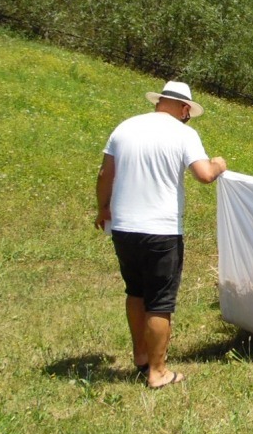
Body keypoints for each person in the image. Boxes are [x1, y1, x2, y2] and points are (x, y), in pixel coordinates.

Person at [94, 81, 227, 389]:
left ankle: (140, 355)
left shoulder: (125, 128)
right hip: (161, 229)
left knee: (135, 291)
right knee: (160, 301)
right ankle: (158, 371)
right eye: (188, 113)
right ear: (183, 109)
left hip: (124, 226)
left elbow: (105, 174)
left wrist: (103, 208)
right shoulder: (184, 133)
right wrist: (218, 164)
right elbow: (204, 175)